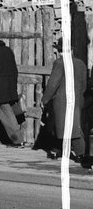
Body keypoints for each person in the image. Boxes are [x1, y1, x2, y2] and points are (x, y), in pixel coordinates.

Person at [39, 38, 89, 166]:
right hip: (77, 99)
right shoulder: (81, 63)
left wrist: (45, 99)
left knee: (60, 126)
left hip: (62, 100)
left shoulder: (60, 63)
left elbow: (53, 84)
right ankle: (76, 153)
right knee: (73, 126)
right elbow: (84, 85)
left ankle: (65, 151)